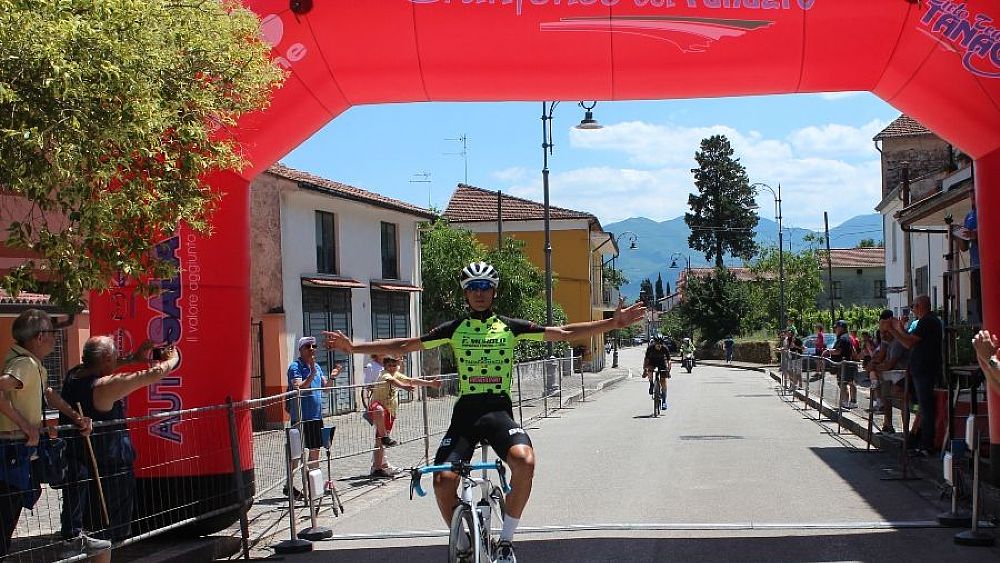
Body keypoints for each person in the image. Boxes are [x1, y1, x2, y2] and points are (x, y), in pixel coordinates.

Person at [324, 261, 645, 563]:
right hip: (466, 413)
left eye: (485, 286)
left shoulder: (509, 327)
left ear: (494, 292)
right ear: (466, 292)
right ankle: (462, 539)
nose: (479, 292)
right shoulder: (455, 328)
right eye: (473, 287)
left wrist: (612, 323)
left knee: (525, 461)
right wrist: (355, 348)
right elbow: (405, 345)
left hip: (497, 411)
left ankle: (505, 541)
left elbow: (562, 333)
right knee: (443, 480)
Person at [58, 336, 180, 560]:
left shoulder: (74, 375)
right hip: (108, 474)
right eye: (115, 356)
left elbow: (102, 366)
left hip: (81, 469)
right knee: (104, 538)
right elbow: (151, 376)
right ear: (105, 358)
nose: (118, 360)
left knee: (90, 538)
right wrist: (174, 359)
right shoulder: (104, 387)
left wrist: (134, 359)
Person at [0, 309, 94, 560]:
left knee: (15, 506)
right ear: (40, 336)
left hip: (22, 448)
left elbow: (49, 393)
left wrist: (76, 417)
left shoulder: (33, 364)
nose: (55, 338)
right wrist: (25, 426)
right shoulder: (24, 364)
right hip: (12, 447)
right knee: (6, 513)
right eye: (52, 333)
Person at [367, 356, 441, 478]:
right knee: (379, 414)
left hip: (390, 411)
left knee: (379, 440)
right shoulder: (384, 374)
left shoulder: (396, 373)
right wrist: (404, 387)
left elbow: (411, 380)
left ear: (397, 366)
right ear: (385, 366)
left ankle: (377, 467)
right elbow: (392, 381)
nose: (391, 368)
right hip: (378, 407)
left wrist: (430, 383)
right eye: (389, 365)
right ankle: (384, 442)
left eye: (394, 365)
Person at [887, 295, 942, 455]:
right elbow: (910, 338)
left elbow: (908, 343)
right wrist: (900, 329)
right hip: (921, 368)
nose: (912, 309)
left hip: (925, 368)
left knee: (925, 407)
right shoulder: (925, 322)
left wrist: (892, 330)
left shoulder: (928, 321)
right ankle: (917, 438)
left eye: (913, 306)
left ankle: (926, 444)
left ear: (920, 306)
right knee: (921, 406)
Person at [286, 336, 340, 497]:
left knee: (315, 451)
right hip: (301, 418)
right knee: (297, 454)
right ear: (300, 350)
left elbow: (326, 389)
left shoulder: (317, 366)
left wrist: (332, 377)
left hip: (316, 417)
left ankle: (312, 487)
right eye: (308, 346)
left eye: (314, 346)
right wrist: (311, 374)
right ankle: (289, 484)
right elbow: (299, 387)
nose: (312, 349)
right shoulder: (295, 367)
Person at [869, 323, 908, 434]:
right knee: (886, 398)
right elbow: (885, 362)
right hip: (892, 377)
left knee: (903, 402)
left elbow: (890, 364)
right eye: (881, 333)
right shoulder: (889, 344)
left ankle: (905, 432)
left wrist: (876, 367)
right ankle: (888, 425)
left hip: (902, 377)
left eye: (885, 332)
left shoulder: (897, 343)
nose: (883, 335)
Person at [826, 320, 857, 409]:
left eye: (836, 328)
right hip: (849, 363)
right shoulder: (848, 337)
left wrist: (827, 351)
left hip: (844, 365)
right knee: (851, 382)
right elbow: (854, 351)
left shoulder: (842, 338)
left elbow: (838, 351)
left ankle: (845, 401)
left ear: (841, 328)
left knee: (843, 383)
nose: (835, 329)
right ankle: (852, 402)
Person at [643, 336, 672, 411]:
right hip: (652, 362)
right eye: (657, 344)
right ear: (654, 343)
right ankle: (651, 383)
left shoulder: (665, 348)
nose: (659, 345)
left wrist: (668, 370)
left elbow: (669, 360)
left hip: (662, 363)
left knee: (663, 380)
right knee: (649, 370)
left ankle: (664, 401)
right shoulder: (650, 348)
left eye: (660, 344)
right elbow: (646, 359)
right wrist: (645, 369)